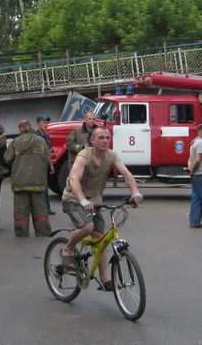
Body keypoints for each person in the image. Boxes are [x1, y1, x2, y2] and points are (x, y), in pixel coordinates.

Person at [60, 125, 143, 291]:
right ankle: (67, 249)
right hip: (74, 199)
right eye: (101, 138)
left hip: (95, 202)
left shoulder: (111, 155)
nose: (105, 141)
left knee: (101, 240)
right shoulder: (84, 155)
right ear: (92, 140)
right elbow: (74, 179)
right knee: (87, 226)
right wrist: (82, 200)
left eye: (107, 138)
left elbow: (127, 174)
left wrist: (135, 193)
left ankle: (105, 279)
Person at [4, 120, 52, 237]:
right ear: (30, 127)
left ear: (21, 128)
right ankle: (43, 232)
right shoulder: (41, 141)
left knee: (21, 211)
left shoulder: (15, 142)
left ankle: (22, 233)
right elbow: (47, 158)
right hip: (38, 182)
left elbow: (7, 159)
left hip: (20, 183)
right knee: (40, 210)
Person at [36, 114, 56, 215]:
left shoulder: (47, 136)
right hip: (37, 165)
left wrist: (51, 165)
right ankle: (43, 208)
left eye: (47, 123)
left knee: (44, 186)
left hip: (45, 165)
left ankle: (46, 208)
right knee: (41, 187)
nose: (46, 125)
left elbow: (48, 151)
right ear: (38, 123)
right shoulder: (35, 136)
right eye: (44, 123)